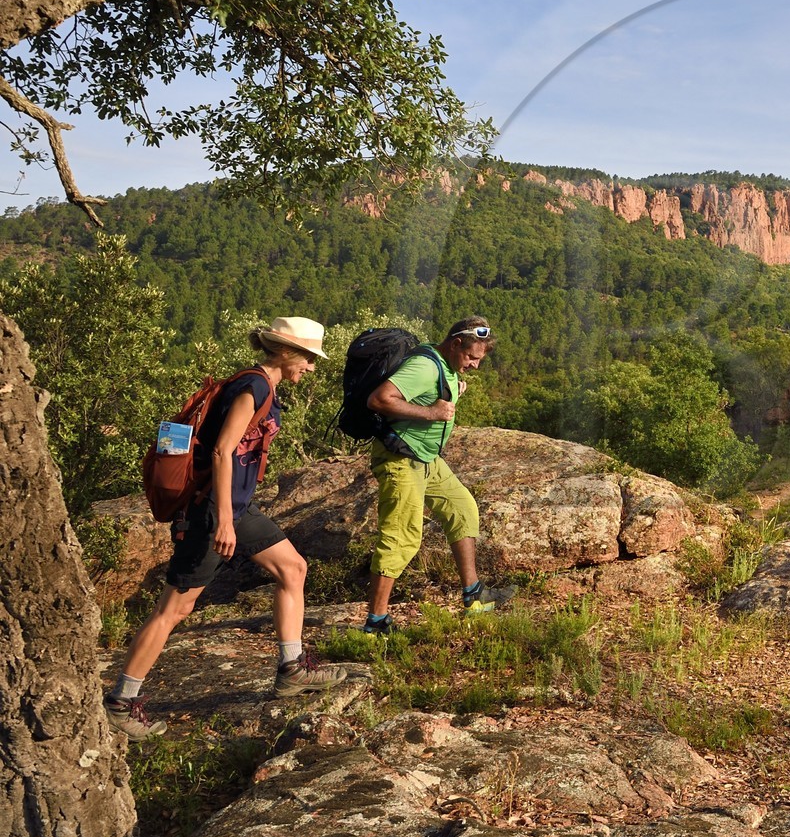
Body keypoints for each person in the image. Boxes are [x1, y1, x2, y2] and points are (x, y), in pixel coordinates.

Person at [105, 317, 348, 739]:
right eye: (308, 358)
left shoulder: (265, 388)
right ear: (286, 352)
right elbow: (221, 451)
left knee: (292, 568)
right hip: (212, 512)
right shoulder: (253, 387)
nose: (310, 367)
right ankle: (120, 702)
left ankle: (292, 668)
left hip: (236, 507)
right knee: (174, 609)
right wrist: (224, 520)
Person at [361, 316, 513, 635]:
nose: (474, 366)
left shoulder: (444, 366)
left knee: (462, 508)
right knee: (402, 537)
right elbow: (379, 399)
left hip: (426, 457)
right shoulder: (425, 367)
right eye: (471, 358)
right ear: (456, 344)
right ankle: (376, 623)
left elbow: (431, 394)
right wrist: (431, 412)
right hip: (401, 458)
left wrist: (453, 389)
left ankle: (473, 596)